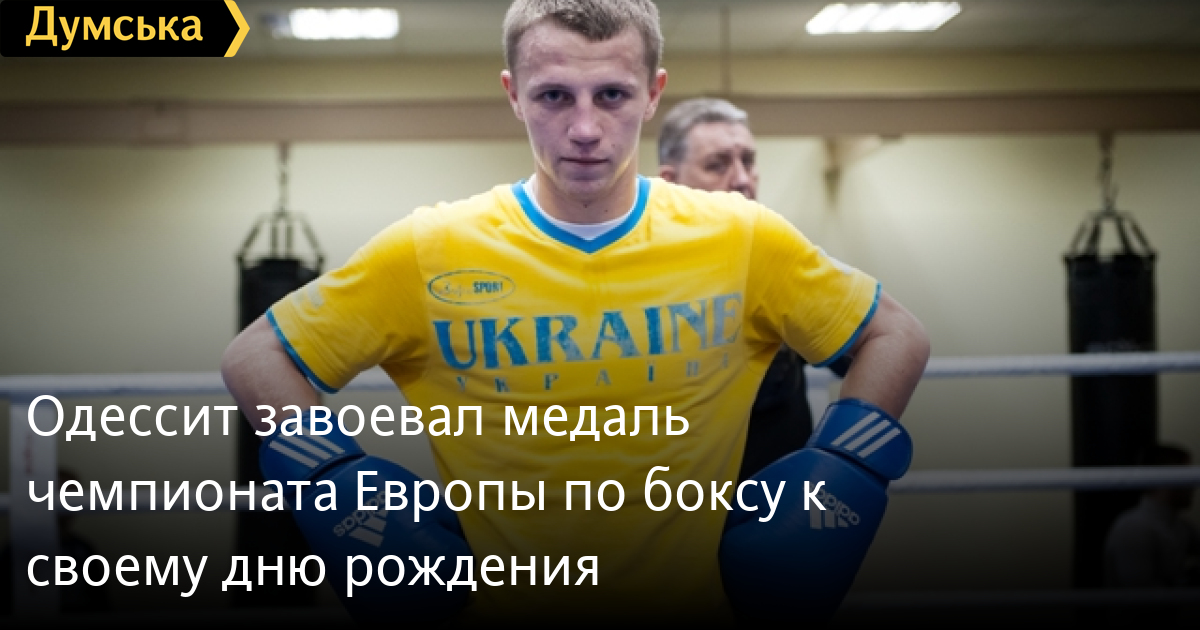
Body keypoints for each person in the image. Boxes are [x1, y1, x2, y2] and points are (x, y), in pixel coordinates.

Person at [222, 0, 929, 623]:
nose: (585, 128)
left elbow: (895, 333)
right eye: (555, 96)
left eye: (612, 94)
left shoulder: (742, 238)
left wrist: (843, 463)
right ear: (513, 94)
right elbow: (256, 356)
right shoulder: (429, 249)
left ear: (653, 94)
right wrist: (334, 481)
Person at [658, 97, 852, 480]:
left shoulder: (781, 263)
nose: (742, 179)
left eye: (748, 161)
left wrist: (841, 461)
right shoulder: (638, 275)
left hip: (779, 506)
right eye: (717, 164)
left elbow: (873, 349)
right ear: (670, 182)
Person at [1105, 444, 1200, 588]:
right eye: (1188, 476)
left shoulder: (1180, 526)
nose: (1193, 485)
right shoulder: (1134, 528)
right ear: (1170, 477)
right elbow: (1139, 594)